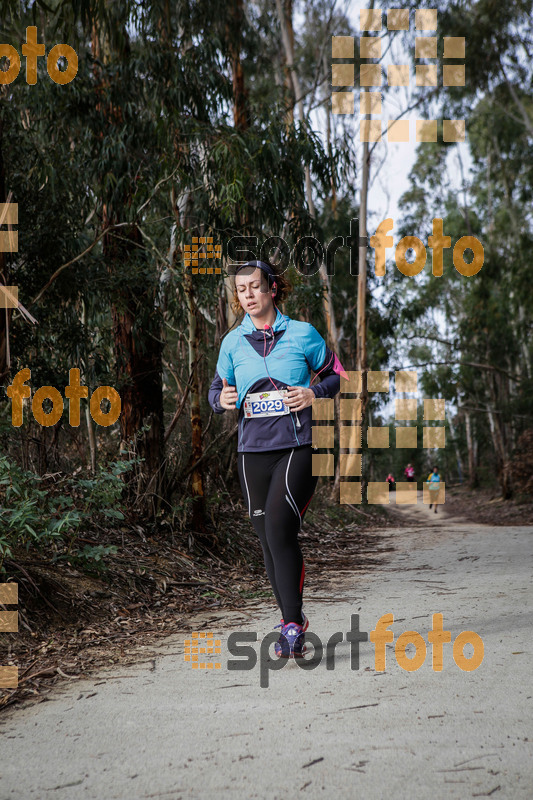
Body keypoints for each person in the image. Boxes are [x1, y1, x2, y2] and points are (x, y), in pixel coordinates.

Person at [208, 260, 346, 659]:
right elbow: (217, 389)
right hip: (252, 453)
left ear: (272, 289)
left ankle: (291, 625)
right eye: (241, 290)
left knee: (280, 529)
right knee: (266, 538)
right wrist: (220, 399)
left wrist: (313, 394)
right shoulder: (232, 343)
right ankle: (293, 618)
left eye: (255, 286)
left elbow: (336, 375)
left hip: (295, 448)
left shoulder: (302, 333)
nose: (248, 295)